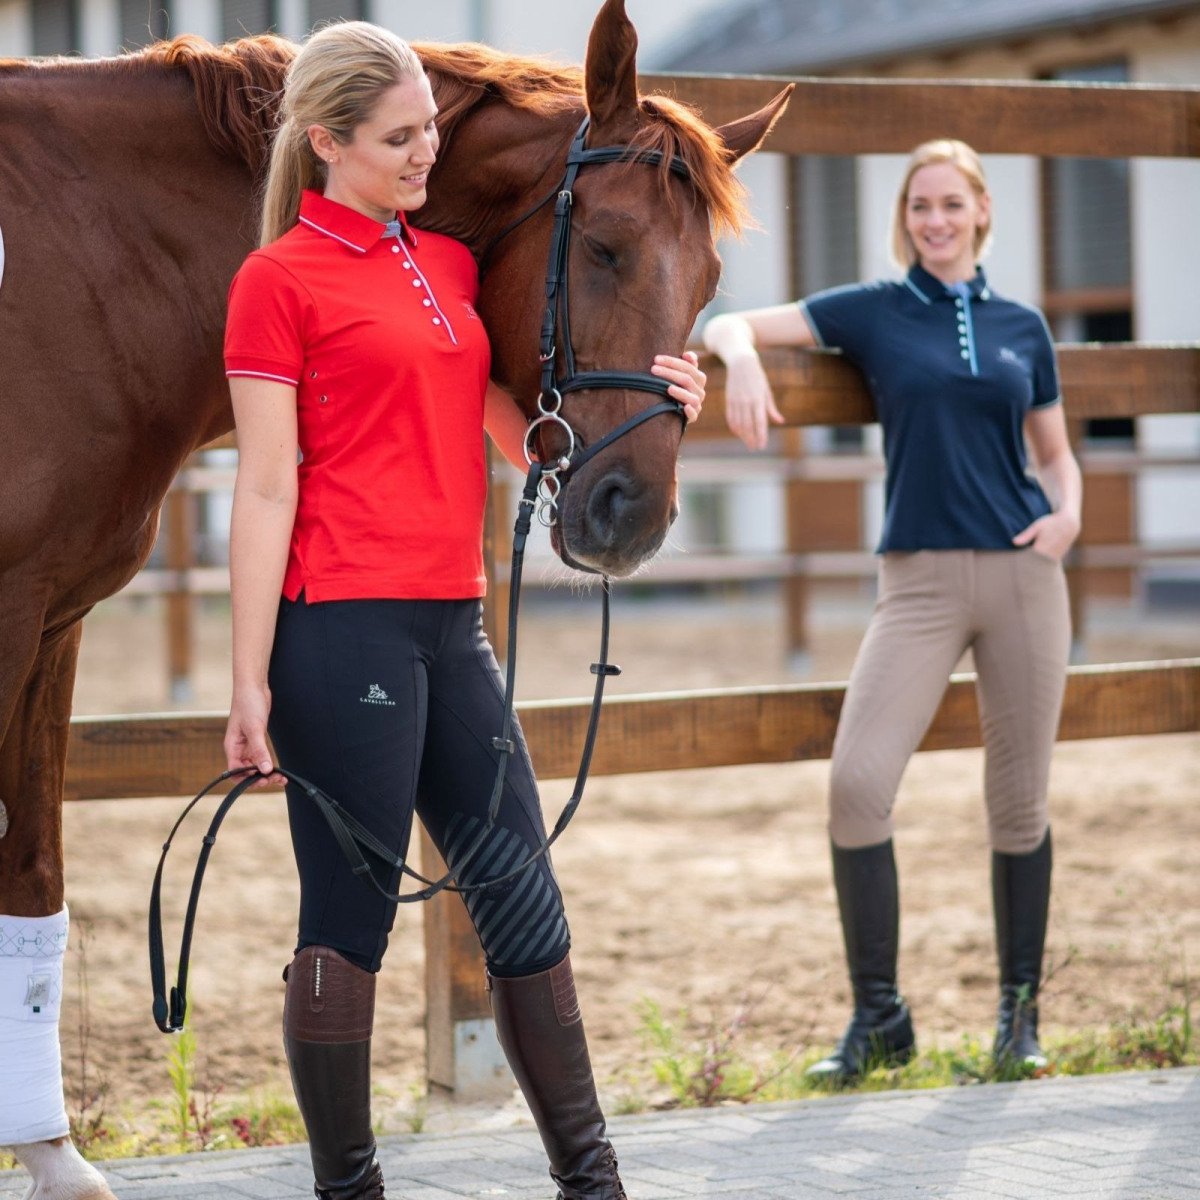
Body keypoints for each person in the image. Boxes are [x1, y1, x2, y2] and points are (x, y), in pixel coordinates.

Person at [222, 22, 706, 1200]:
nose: (424, 154)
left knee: (525, 906)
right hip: (339, 628)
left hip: (453, 626)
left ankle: (593, 1185)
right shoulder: (276, 281)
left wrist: (660, 403)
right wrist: (248, 682)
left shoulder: (440, 264)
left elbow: (520, 433)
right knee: (350, 924)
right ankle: (350, 1191)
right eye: (398, 139)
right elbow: (266, 487)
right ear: (327, 143)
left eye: (428, 130)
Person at [703, 139, 1081, 1081]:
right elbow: (733, 322)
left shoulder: (1022, 327)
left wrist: (1068, 517)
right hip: (918, 583)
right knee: (858, 784)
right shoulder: (875, 309)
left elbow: (1055, 453)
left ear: (981, 210)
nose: (935, 220)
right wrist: (741, 361)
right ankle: (880, 1019)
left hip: (1026, 578)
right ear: (904, 218)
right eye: (920, 206)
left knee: (1019, 802)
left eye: (951, 203)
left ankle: (1020, 1022)